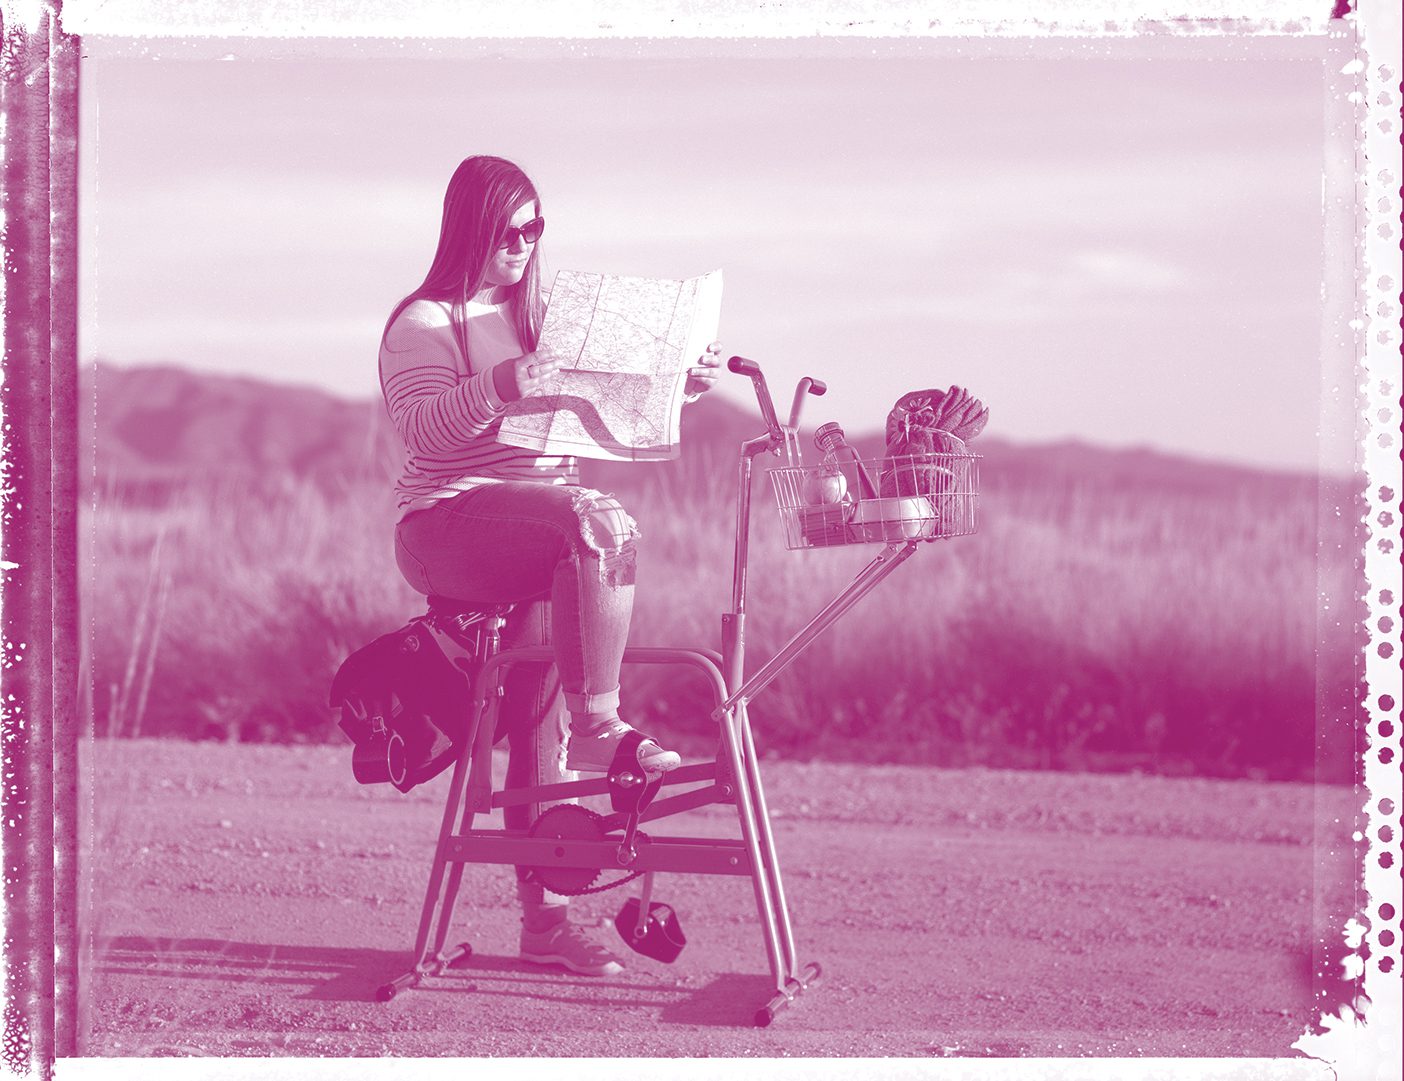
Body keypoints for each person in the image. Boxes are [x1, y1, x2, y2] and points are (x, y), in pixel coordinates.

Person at [378, 155, 722, 977]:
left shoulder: (540, 319)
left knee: (539, 715)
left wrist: (682, 386)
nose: (527, 245)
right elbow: (425, 433)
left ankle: (547, 922)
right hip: (446, 522)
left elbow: (600, 414)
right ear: (471, 227)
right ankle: (606, 725)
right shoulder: (423, 324)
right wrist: (498, 382)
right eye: (512, 231)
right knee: (597, 519)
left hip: (539, 535)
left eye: (538, 229)